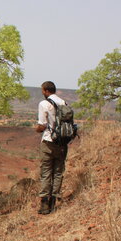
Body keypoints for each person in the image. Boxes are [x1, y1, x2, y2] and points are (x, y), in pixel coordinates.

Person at [35, 81, 67, 214]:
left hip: (48, 141)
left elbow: (42, 125)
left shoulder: (44, 104)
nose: (42, 92)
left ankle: (44, 204)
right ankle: (53, 202)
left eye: (42, 90)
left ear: (46, 90)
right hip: (62, 142)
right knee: (58, 172)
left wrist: (37, 129)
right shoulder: (63, 103)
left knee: (46, 172)